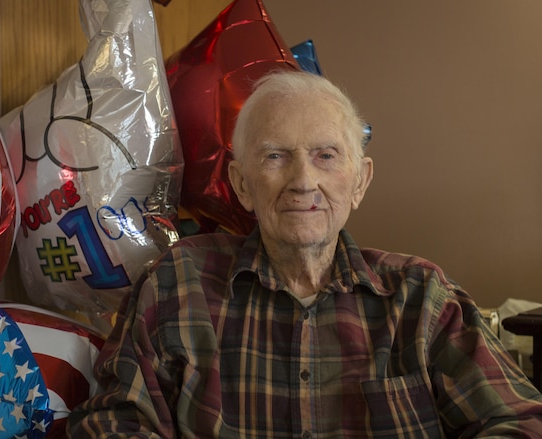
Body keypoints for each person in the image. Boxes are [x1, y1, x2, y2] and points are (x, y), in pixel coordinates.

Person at [67, 70, 542, 438]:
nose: (302, 181)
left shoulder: (423, 299)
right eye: (275, 156)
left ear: (360, 182)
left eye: (326, 155)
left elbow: (521, 423)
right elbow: (112, 423)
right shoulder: (177, 284)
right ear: (241, 185)